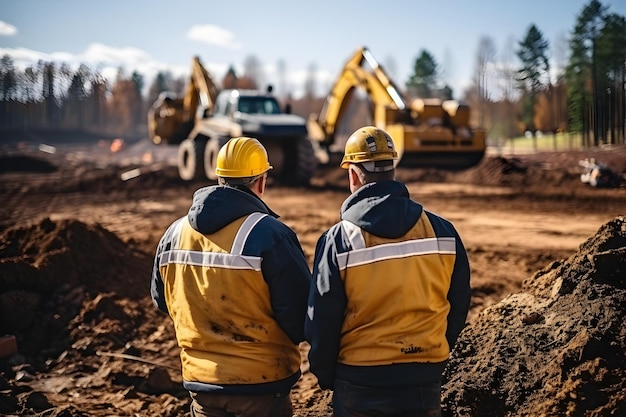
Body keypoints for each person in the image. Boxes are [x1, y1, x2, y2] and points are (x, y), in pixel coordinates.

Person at [304, 126, 471, 417]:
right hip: (424, 376)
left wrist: (328, 375)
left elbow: (322, 319)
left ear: (353, 175)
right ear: (392, 169)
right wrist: (434, 354)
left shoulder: (339, 240)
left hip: (360, 378)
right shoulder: (442, 231)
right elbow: (458, 303)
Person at [151, 137, 311, 417]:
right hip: (261, 386)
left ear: (219, 177)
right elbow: (300, 320)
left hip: (201, 386)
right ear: (261, 180)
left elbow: (162, 300)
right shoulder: (271, 235)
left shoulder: (173, 234)